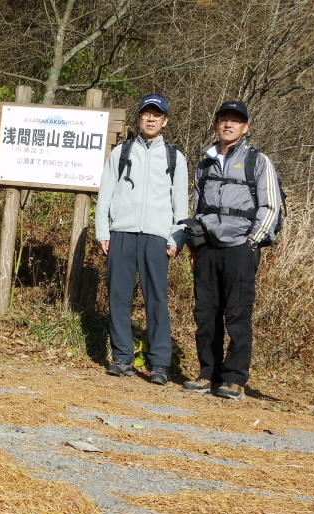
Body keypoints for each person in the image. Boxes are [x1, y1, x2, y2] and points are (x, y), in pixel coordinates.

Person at [183, 100, 282, 400]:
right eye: (223, 119)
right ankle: (207, 374)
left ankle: (235, 379)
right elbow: (198, 207)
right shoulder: (205, 163)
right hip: (208, 249)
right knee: (205, 313)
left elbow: (271, 205)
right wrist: (195, 245)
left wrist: (253, 242)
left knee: (238, 315)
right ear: (216, 124)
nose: (228, 125)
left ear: (245, 128)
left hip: (242, 247)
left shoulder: (258, 161)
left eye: (235, 121)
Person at [95, 94, 188, 385]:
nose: (151, 118)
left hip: (156, 236)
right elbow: (106, 193)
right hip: (121, 232)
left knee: (156, 300)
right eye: (146, 113)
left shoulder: (175, 157)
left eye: (156, 115)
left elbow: (180, 201)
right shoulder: (121, 152)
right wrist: (102, 231)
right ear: (139, 118)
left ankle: (159, 363)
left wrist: (177, 236)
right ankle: (122, 358)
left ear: (165, 121)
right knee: (118, 298)